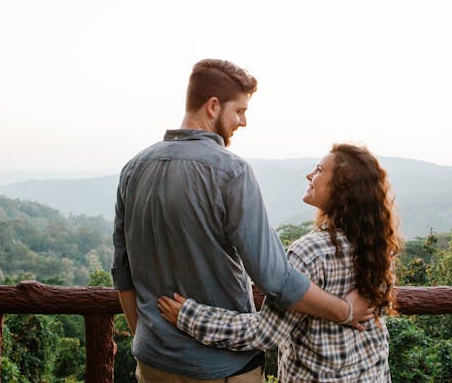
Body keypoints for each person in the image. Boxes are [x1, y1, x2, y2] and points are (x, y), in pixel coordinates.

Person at [112, 59, 373, 383]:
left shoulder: (134, 168)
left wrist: (147, 337)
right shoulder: (231, 172)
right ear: (212, 106)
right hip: (222, 367)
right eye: (239, 111)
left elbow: (122, 273)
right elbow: (276, 278)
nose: (244, 122)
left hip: (152, 362)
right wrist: (344, 311)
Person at [158, 143, 400, 382]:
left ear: (342, 188)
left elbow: (264, 333)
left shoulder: (309, 253)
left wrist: (189, 316)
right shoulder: (378, 246)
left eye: (318, 170)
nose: (309, 175)